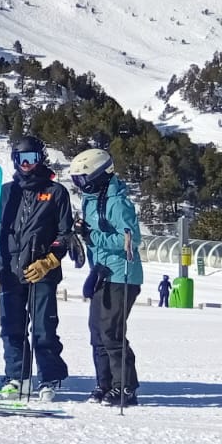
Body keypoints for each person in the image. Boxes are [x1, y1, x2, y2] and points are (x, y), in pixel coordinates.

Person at [0, 135, 72, 397]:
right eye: (21, 158)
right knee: (11, 328)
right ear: (14, 160)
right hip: (10, 269)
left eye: (32, 158)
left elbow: (65, 234)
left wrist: (49, 261)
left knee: (43, 328)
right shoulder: (6, 192)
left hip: (42, 272)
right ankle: (17, 376)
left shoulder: (55, 192)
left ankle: (49, 377)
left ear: (41, 159)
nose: (26, 164)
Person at [72, 148, 143, 405]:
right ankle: (104, 384)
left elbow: (131, 239)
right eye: (76, 180)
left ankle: (125, 387)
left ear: (99, 175)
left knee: (111, 332)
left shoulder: (117, 202)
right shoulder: (91, 200)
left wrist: (92, 236)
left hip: (121, 275)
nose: (80, 185)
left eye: (83, 179)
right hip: (101, 272)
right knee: (97, 333)